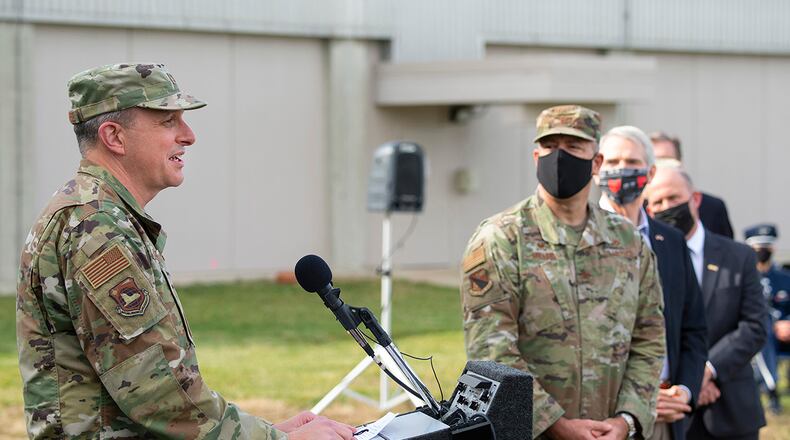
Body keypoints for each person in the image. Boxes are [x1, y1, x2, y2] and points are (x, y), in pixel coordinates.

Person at [16, 63, 356, 440]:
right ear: (114, 136)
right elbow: (157, 394)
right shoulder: (95, 228)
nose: (189, 136)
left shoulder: (102, 215)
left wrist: (267, 430)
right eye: (167, 122)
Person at [461, 105, 666, 440]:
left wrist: (627, 420)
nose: (560, 157)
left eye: (573, 147)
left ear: (596, 162)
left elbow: (649, 337)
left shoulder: (628, 241)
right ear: (535, 156)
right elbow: (491, 350)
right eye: (550, 146)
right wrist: (554, 423)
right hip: (532, 433)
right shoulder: (501, 238)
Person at [597, 126, 707, 440]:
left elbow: (694, 327)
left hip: (667, 417)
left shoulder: (671, 241)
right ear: (596, 169)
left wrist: (685, 391)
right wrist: (638, 403)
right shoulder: (579, 239)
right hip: (606, 418)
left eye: (632, 162)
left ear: (650, 171)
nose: (621, 170)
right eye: (612, 162)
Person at [645, 167, 766, 440]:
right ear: (649, 211)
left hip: (731, 409)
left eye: (674, 198)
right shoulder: (645, 259)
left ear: (695, 199)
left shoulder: (738, 257)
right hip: (670, 409)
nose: (667, 207)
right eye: (658, 202)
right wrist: (688, 381)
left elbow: (755, 326)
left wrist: (707, 371)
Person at [649, 132, 734, 239]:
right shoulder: (636, 211)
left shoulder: (712, 208)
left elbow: (726, 250)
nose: (661, 167)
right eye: (655, 161)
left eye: (666, 161)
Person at [744, 223, 790, 414]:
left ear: (774, 248)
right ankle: (771, 390)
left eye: (766, 246)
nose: (763, 250)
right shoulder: (742, 277)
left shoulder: (784, 277)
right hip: (759, 335)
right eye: (758, 246)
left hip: (786, 331)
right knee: (763, 331)